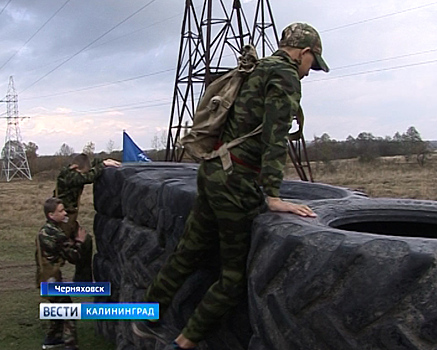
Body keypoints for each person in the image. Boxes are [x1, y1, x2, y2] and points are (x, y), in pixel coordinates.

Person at [133, 22, 329, 350]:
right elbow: (275, 136)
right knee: (233, 279)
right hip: (235, 182)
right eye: (312, 63)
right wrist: (273, 194)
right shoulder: (286, 75)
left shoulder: (257, 67)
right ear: (304, 52)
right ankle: (182, 344)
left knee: (189, 252)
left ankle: (145, 319)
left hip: (212, 169)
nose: (310, 72)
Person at [54, 153, 120, 282]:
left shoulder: (74, 171)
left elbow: (89, 170)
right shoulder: (67, 175)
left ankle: (82, 279)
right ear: (75, 167)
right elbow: (87, 177)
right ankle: (51, 284)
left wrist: (103, 161)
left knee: (86, 242)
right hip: (61, 221)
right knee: (60, 253)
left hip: (69, 217)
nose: (82, 174)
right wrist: (103, 165)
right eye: (81, 172)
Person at [35, 197, 88, 350]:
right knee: (68, 310)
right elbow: (74, 257)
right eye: (61, 211)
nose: (65, 213)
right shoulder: (56, 235)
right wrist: (79, 241)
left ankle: (52, 339)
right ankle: (70, 345)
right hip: (51, 279)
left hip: (44, 276)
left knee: (58, 307)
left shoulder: (44, 230)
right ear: (51, 215)